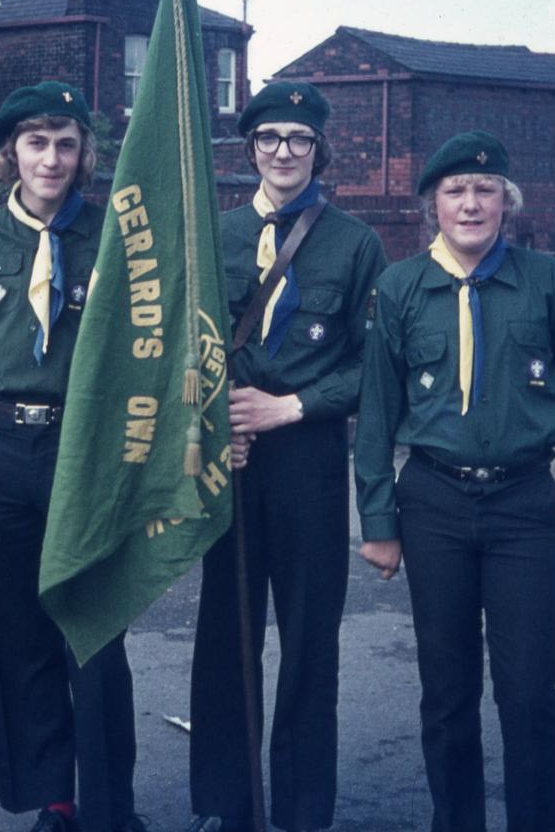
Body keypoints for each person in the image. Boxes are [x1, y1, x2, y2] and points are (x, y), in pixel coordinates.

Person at [354, 130, 555, 832]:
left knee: (529, 692)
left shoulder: (544, 281)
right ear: (430, 205)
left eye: (484, 190)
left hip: (522, 502)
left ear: (506, 201)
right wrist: (378, 523)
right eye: (454, 191)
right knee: (446, 692)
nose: (470, 204)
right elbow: (376, 412)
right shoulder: (399, 288)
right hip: (432, 500)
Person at [0, 82, 139, 832]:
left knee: (93, 629)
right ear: (9, 152)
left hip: (85, 447)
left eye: (66, 143)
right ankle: (53, 798)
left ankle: (114, 808)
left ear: (85, 154)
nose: (51, 158)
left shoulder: (116, 235)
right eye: (36, 142)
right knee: (17, 630)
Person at [188, 81, 387, 832]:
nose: (283, 152)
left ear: (318, 150)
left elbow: (373, 365)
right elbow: (185, 344)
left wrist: (288, 408)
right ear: (251, 149)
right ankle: (224, 803)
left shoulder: (355, 244)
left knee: (309, 636)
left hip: (305, 455)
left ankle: (303, 808)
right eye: (269, 138)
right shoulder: (216, 233)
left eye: (298, 140)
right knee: (223, 634)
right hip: (232, 460)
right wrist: (217, 424)